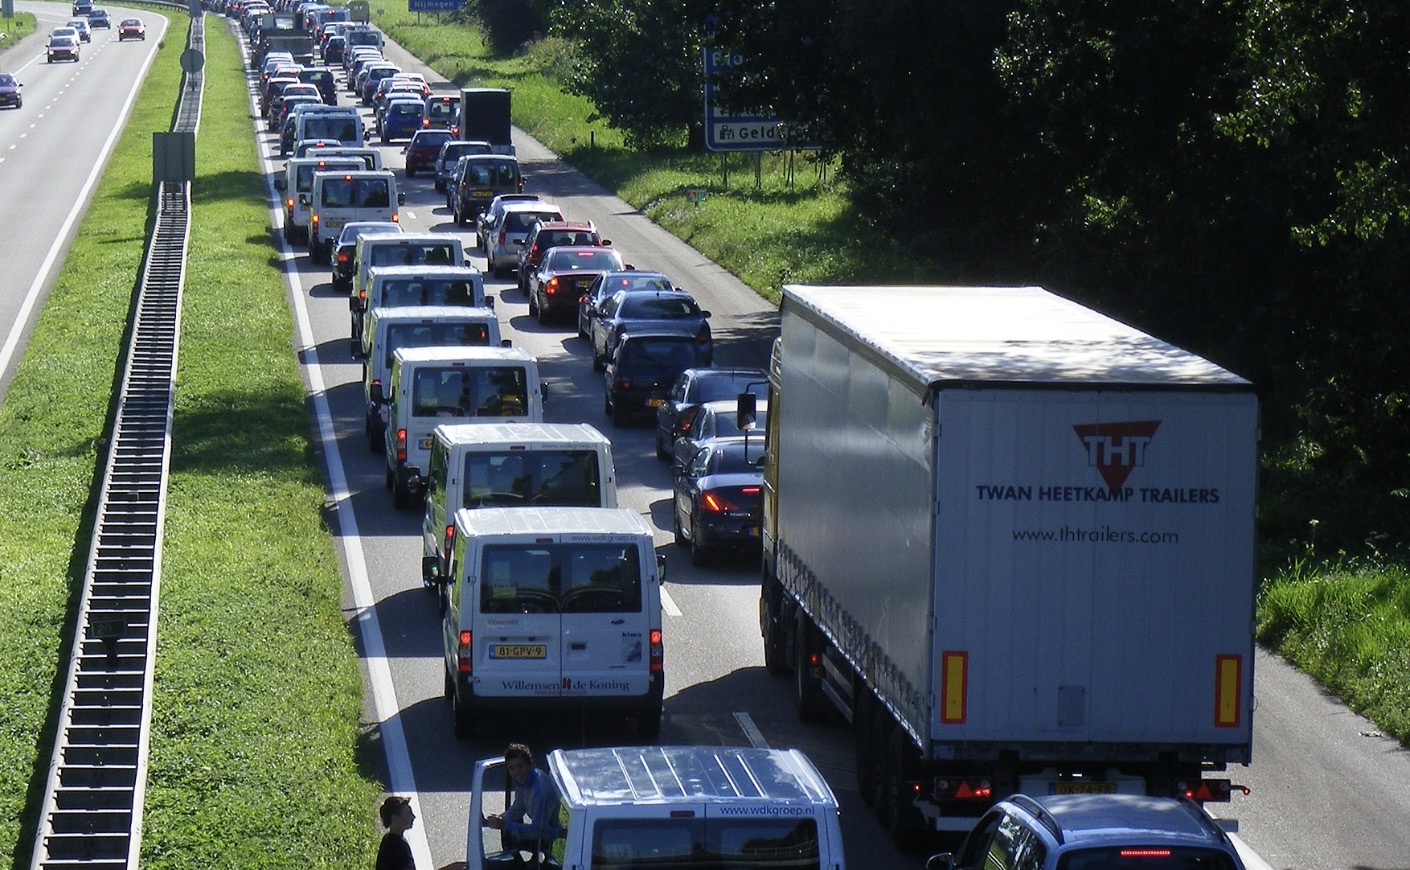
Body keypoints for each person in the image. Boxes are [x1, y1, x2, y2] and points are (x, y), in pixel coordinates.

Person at [484, 743, 560, 851]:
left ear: (530, 764)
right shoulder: (523, 781)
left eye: (520, 766)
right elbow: (518, 809)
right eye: (512, 768)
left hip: (551, 838)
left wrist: (506, 825)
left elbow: (538, 830)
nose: (516, 772)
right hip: (538, 833)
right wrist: (495, 821)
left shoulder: (541, 789)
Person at [376, 795, 416, 870]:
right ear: (395, 818)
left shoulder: (389, 840)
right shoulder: (397, 848)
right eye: (408, 813)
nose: (413, 817)